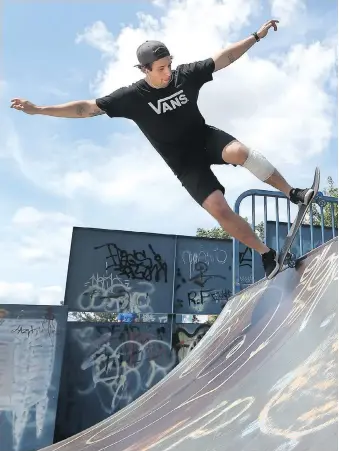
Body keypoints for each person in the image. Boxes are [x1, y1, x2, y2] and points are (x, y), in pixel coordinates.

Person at [10, 19, 314, 280]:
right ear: (145, 70)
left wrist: (256, 36)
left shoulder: (184, 75)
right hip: (184, 164)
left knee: (238, 151)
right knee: (220, 210)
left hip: (204, 139)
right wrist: (39, 110)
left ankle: (292, 193)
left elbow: (224, 58)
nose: (168, 72)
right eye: (161, 68)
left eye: (169, 64)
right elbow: (84, 109)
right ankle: (266, 254)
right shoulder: (131, 97)